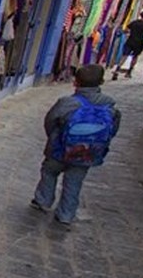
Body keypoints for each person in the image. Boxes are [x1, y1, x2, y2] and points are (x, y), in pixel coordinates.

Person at [31, 65, 120, 226]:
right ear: (101, 82)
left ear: (76, 82)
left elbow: (50, 121)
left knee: (49, 172)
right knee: (74, 182)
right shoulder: (110, 107)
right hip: (86, 155)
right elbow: (112, 131)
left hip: (58, 150)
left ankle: (43, 200)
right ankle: (66, 214)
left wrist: (54, 138)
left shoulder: (67, 103)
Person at [114, 9, 143, 80]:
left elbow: (126, 30)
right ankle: (129, 72)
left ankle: (117, 70)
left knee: (124, 56)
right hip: (139, 42)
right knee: (135, 56)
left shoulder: (134, 22)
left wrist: (129, 33)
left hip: (130, 40)